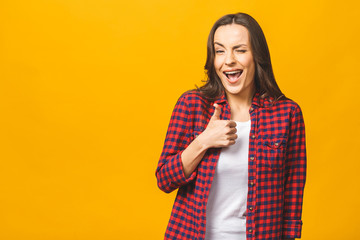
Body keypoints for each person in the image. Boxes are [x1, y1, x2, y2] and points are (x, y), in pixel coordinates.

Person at [155, 12, 306, 240]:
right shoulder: (192, 105)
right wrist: (203, 141)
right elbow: (164, 179)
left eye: (240, 50)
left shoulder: (287, 114)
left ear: (257, 56)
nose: (229, 60)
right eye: (220, 51)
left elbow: (292, 196)